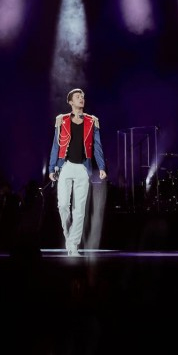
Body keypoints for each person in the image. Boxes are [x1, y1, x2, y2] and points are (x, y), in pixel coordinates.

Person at [48, 88, 107, 257]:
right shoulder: (62, 120)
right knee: (63, 206)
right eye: (78, 97)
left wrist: (101, 167)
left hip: (82, 167)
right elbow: (56, 145)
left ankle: (73, 245)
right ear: (70, 102)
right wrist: (52, 167)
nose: (81, 98)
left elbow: (97, 146)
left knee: (79, 210)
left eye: (83, 96)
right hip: (65, 166)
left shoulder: (92, 121)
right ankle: (69, 238)